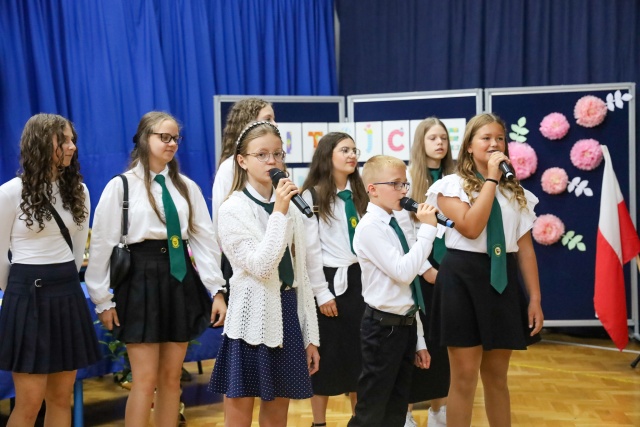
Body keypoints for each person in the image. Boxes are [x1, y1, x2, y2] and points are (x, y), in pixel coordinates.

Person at [85, 111, 227, 427]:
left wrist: (217, 290)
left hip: (179, 278)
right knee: (145, 379)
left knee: (171, 378)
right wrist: (102, 300)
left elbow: (204, 241)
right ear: (143, 139)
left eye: (176, 138)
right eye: (164, 137)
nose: (172, 143)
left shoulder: (186, 187)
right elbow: (102, 246)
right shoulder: (121, 186)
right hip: (140, 279)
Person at [426, 113, 544, 427]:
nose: (494, 144)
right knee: (464, 377)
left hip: (501, 280)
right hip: (462, 281)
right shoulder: (449, 186)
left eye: (500, 138)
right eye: (486, 138)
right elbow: (471, 227)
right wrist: (491, 180)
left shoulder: (515, 191)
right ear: (468, 146)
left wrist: (534, 298)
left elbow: (525, 249)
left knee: (497, 377)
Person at [209, 121, 321, 427]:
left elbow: (300, 273)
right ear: (242, 161)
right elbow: (262, 265)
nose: (272, 161)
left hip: (287, 311)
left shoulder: (289, 207)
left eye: (277, 154)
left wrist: (310, 335)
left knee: (277, 410)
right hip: (250, 318)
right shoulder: (233, 209)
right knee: (239, 411)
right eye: (262, 154)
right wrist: (279, 213)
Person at [0, 113, 100, 427]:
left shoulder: (79, 191)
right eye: (64, 140)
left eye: (73, 140)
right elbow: (0, 254)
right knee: (29, 404)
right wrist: (16, 295)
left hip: (66, 291)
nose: (72, 147)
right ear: (41, 144)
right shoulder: (10, 193)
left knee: (60, 398)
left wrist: (64, 282)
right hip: (25, 293)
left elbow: (77, 249)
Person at [348, 155, 437, 427]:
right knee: (371, 411)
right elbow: (403, 272)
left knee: (396, 410)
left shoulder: (395, 222)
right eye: (395, 184)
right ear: (372, 189)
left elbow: (409, 292)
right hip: (382, 329)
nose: (403, 191)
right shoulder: (369, 228)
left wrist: (419, 340)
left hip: (405, 326)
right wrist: (428, 230)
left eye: (404, 184)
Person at [300, 132, 368, 427]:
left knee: (361, 357)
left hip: (362, 280)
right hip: (329, 280)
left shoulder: (362, 194)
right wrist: (322, 292)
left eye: (354, 150)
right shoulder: (312, 196)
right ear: (328, 155)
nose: (352, 155)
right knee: (326, 357)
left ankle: (360, 420)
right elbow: (310, 251)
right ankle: (319, 422)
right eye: (345, 150)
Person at [397, 118, 454, 427]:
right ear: (421, 142)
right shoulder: (408, 179)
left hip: (452, 268)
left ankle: (439, 409)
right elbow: (404, 234)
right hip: (421, 269)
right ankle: (406, 412)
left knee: (446, 343)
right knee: (418, 341)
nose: (439, 143)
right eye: (432, 138)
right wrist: (427, 270)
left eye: (443, 137)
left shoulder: (456, 178)